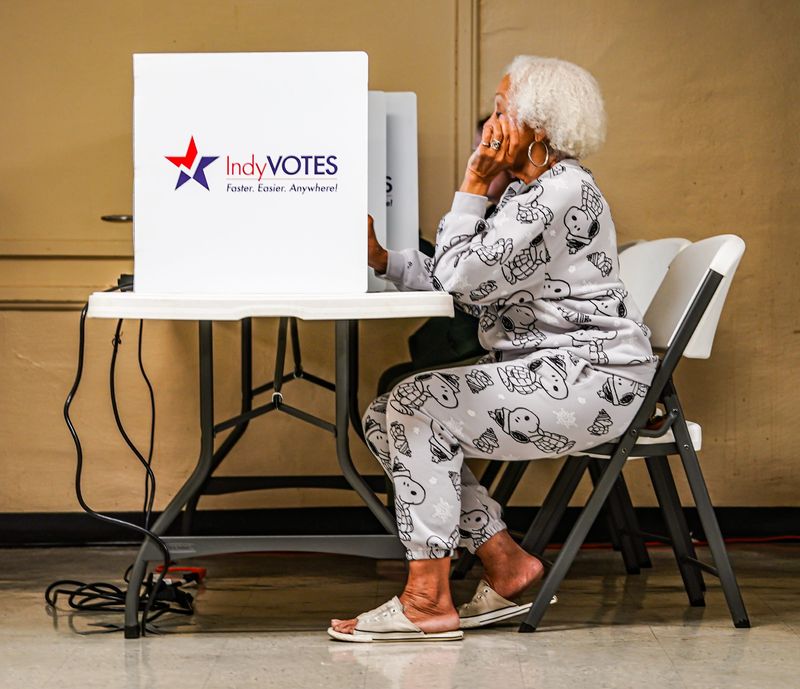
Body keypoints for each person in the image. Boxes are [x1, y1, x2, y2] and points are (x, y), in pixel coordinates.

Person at [329, 55, 657, 642]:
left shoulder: (558, 193)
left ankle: (427, 599)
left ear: (540, 123)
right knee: (386, 416)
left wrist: (474, 182)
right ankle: (505, 562)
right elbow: (468, 280)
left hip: (594, 381)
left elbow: (460, 280)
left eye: (503, 109)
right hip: (558, 370)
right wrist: (385, 261)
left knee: (413, 407)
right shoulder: (537, 194)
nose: (491, 124)